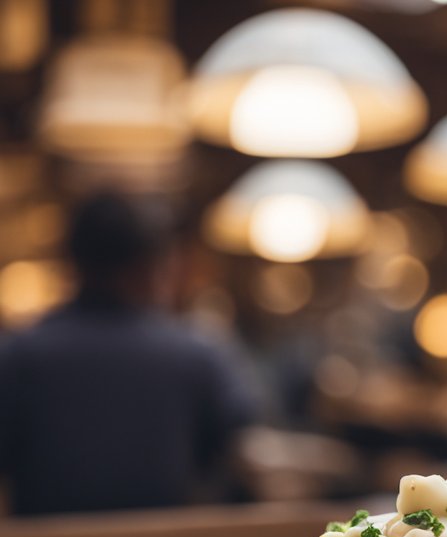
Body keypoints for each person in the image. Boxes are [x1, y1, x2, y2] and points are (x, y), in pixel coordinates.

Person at [0, 192, 257, 515]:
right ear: (151, 266)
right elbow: (240, 446)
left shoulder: (19, 354)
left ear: (74, 262)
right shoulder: (195, 353)